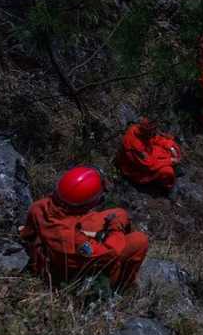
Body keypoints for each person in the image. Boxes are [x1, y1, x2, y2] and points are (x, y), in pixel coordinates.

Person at [19, 166, 149, 290]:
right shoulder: (73, 241)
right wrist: (115, 229)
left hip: (68, 227)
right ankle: (120, 287)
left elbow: (27, 234)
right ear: (82, 207)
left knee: (119, 213)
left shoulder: (40, 206)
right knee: (139, 240)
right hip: (69, 273)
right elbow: (110, 253)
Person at [116, 118, 181, 191]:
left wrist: (170, 147)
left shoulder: (140, 130)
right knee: (167, 172)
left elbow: (155, 138)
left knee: (172, 147)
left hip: (149, 154)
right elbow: (148, 165)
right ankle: (161, 186)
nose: (154, 132)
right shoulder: (137, 147)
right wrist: (170, 161)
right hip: (137, 167)